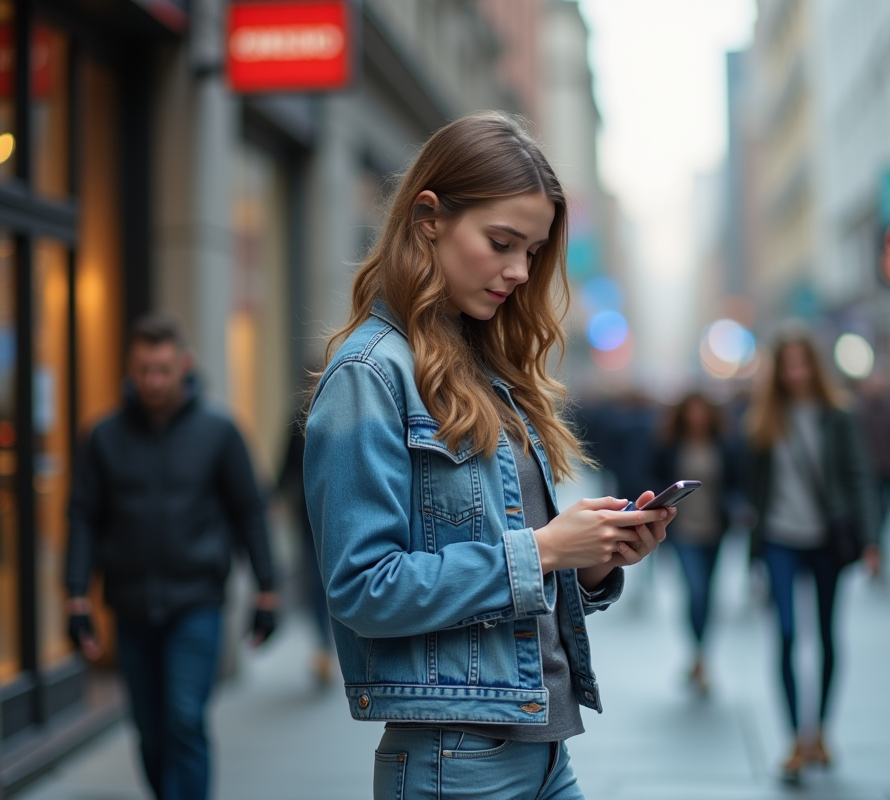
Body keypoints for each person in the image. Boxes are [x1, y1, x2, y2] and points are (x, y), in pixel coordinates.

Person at [302, 112, 674, 800]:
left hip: (543, 751)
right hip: (456, 763)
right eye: (502, 242)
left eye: (531, 252)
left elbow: (501, 582)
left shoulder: (482, 366)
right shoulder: (370, 374)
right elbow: (361, 587)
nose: (517, 271)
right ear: (428, 219)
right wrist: (544, 552)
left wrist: (588, 561)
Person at [63, 313, 278, 800]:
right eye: (144, 370)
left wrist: (268, 589)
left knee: (184, 718)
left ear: (185, 365)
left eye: (163, 369)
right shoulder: (103, 436)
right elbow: (83, 518)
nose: (153, 381)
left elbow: (251, 512)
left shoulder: (219, 432)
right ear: (130, 368)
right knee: (151, 731)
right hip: (130, 605)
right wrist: (76, 597)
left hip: (195, 602)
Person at [745, 326, 879, 783]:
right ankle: (793, 741)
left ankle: (820, 729)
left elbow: (861, 476)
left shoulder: (838, 416)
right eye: (787, 365)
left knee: (825, 634)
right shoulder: (765, 419)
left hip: (827, 541)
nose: (795, 373)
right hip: (780, 539)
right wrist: (751, 549)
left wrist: (872, 538)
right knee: (784, 633)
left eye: (802, 363)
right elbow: (755, 490)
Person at [651, 392, 745, 695]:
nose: (697, 418)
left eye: (702, 412)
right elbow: (650, 476)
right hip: (682, 531)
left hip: (715, 530)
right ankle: (697, 653)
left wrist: (737, 506)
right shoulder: (669, 443)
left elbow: (737, 483)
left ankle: (702, 653)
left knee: (710, 593)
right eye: (692, 412)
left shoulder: (725, 444)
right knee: (696, 589)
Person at [278, 390, 335, 684]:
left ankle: (333, 645)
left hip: (341, 518)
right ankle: (324, 648)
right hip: (310, 518)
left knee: (333, 582)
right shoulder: (300, 420)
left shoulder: (347, 416)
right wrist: (278, 498)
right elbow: (286, 466)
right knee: (315, 583)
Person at [856, 370, 890, 572]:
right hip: (867, 473)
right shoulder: (860, 410)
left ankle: (878, 548)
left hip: (888, 472)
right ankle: (873, 550)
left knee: (885, 513)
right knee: (872, 513)